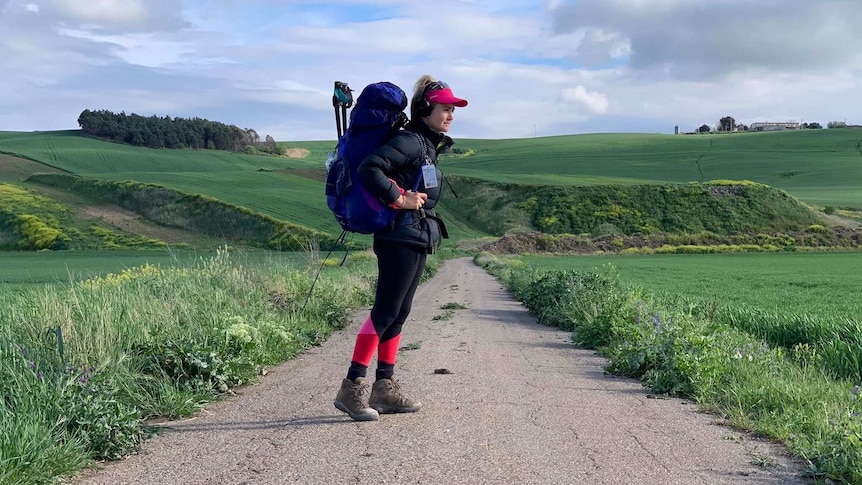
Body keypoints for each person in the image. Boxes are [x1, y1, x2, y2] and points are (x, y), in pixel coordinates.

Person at [333, 75, 468, 421]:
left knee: (399, 312)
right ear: (424, 108)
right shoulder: (410, 142)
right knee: (385, 311)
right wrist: (399, 198)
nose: (450, 114)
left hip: (415, 235)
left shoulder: (425, 145)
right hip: (398, 237)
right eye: (444, 108)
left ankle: (384, 388)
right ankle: (352, 386)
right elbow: (370, 168)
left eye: (453, 109)